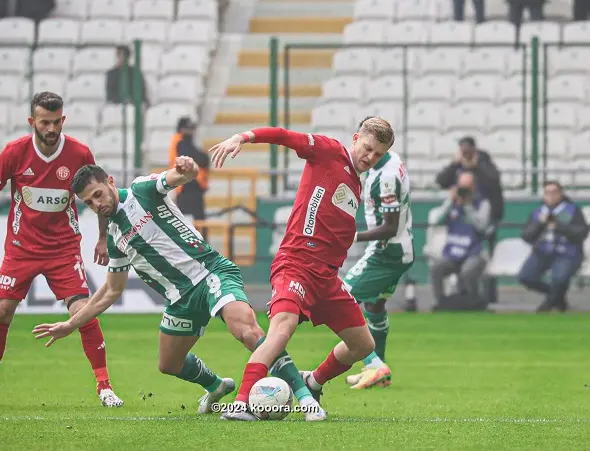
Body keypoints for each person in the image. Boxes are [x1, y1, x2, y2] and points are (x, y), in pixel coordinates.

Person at [31, 160, 325, 421]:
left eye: (97, 195)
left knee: (248, 331)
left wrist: (187, 170)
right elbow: (110, 291)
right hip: (179, 299)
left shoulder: (141, 191)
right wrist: (70, 324)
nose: (97, 205)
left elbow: (179, 177)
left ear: (110, 182)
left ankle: (306, 398)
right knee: (168, 363)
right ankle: (216, 386)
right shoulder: (115, 237)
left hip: (210, 272)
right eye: (89, 203)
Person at [209, 117, 395, 421]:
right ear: (355, 138)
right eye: (368, 148)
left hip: (327, 277)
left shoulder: (355, 182)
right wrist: (243, 137)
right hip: (296, 263)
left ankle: (314, 381)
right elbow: (284, 135)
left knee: (363, 346)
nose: (370, 157)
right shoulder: (329, 152)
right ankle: (241, 402)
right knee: (282, 329)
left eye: (378, 155)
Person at [0, 92, 123, 408]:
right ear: (32, 122)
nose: (51, 128)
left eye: (56, 122)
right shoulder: (14, 152)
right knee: (2, 311)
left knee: (83, 311)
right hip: (21, 248)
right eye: (44, 122)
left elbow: (100, 194)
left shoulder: (79, 153)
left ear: (63, 119)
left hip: (63, 249)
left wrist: (103, 238)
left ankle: (105, 387)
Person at [343, 148, 414, 389]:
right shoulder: (388, 159)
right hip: (400, 249)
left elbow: (390, 227)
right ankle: (378, 369)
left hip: (387, 252)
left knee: (340, 298)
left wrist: (352, 237)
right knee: (375, 306)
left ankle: (374, 365)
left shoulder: (387, 177)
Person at [518, 181, 589, 312]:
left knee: (559, 278)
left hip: (567, 252)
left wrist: (558, 226)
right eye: (547, 193)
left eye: (554, 192)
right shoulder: (538, 212)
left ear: (560, 194)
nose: (550, 196)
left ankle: (549, 304)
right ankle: (557, 297)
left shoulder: (572, 210)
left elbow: (581, 233)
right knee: (526, 277)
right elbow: (526, 236)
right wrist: (540, 224)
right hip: (542, 252)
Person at [429, 171, 491, 310]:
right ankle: (441, 302)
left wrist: (468, 206)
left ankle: (475, 301)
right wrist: (450, 201)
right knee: (436, 268)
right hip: (453, 252)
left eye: (467, 186)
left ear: (474, 187)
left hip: (474, 252)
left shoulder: (482, 203)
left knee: (467, 271)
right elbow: (434, 221)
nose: (463, 190)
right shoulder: (452, 205)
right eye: (461, 186)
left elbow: (482, 227)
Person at [168, 117, 209, 222]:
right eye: (188, 129)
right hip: (185, 188)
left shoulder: (184, 143)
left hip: (193, 188)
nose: (191, 132)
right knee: (191, 224)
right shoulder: (179, 142)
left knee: (198, 224)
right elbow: (199, 158)